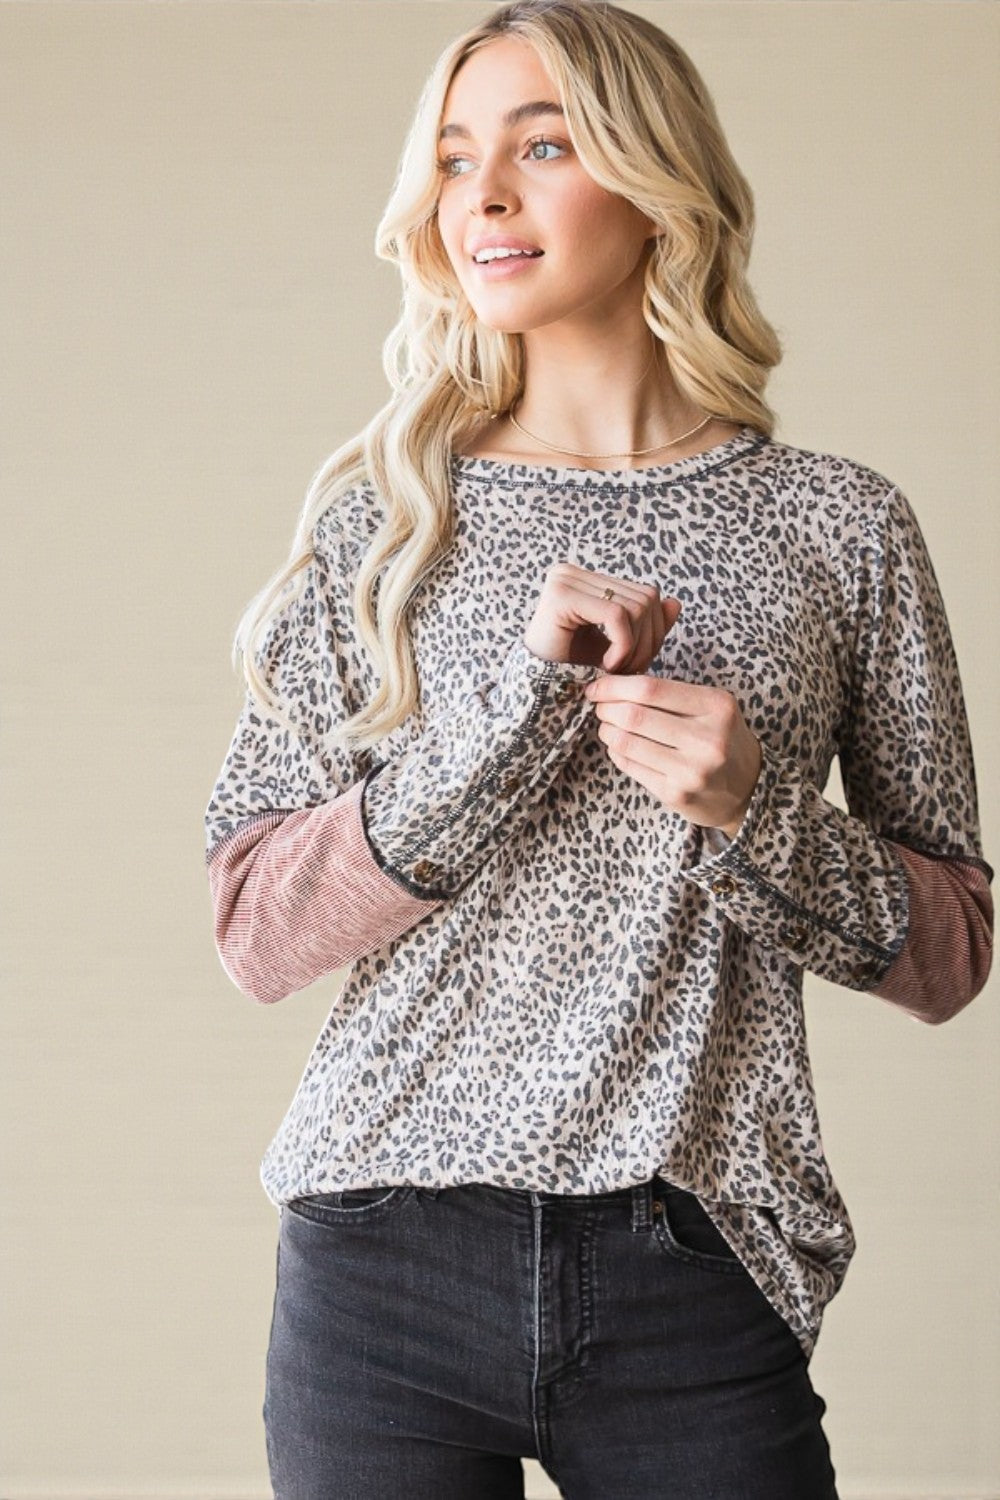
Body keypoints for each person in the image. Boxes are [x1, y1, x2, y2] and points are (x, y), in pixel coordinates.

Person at [203, 3, 993, 1496]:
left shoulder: (838, 524)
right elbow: (253, 927)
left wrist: (760, 811)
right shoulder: (378, 527)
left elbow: (952, 951)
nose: (482, 196)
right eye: (453, 158)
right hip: (382, 1261)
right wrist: (511, 715)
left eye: (541, 146)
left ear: (655, 186)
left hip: (692, 1258)